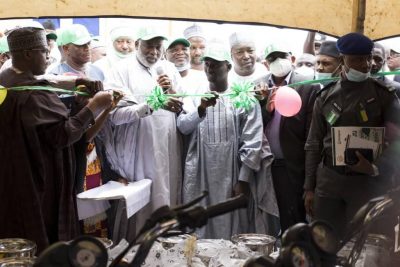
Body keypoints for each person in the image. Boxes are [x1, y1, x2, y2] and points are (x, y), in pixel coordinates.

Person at [0, 26, 113, 252]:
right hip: (41, 184)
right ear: (28, 54)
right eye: (44, 51)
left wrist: (73, 84)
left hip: (16, 180)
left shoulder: (8, 82)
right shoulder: (32, 95)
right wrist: (94, 107)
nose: (49, 56)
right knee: (45, 242)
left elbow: (43, 79)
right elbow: (63, 135)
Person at [178, 43, 279, 239]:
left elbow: (252, 141)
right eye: (207, 64)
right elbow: (182, 126)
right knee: (199, 227)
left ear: (228, 67)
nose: (210, 69)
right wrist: (200, 109)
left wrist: (243, 180)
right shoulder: (195, 95)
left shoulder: (243, 97)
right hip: (200, 175)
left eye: (216, 64)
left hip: (232, 175)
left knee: (233, 226)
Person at [304, 32, 398, 239]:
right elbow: (313, 144)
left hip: (367, 184)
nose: (365, 64)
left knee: (363, 244)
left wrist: (376, 168)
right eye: (356, 59)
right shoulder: (325, 95)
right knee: (324, 241)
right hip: (329, 183)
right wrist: (309, 187)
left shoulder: (384, 95)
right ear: (342, 60)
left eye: (368, 58)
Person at [111, 27, 183, 233]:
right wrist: (152, 105)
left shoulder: (169, 69)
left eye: (158, 46)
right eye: (148, 46)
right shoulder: (121, 69)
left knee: (166, 202)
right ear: (136, 45)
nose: (154, 51)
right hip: (138, 153)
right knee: (141, 209)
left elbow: (181, 107)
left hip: (168, 149)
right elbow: (114, 116)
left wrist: (173, 94)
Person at [257, 43, 319, 234]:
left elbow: (312, 136)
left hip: (293, 167)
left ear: (292, 59)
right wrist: (265, 108)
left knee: (293, 222)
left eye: (281, 56)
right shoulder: (258, 86)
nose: (277, 61)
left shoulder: (308, 86)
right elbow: (253, 124)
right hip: (265, 165)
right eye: (272, 58)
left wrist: (309, 181)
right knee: (266, 221)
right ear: (266, 64)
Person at [303, 40, 341, 217]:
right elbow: (313, 143)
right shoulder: (313, 92)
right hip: (319, 177)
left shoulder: (348, 93)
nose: (319, 68)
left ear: (341, 64)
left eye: (326, 63)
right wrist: (309, 186)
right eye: (317, 62)